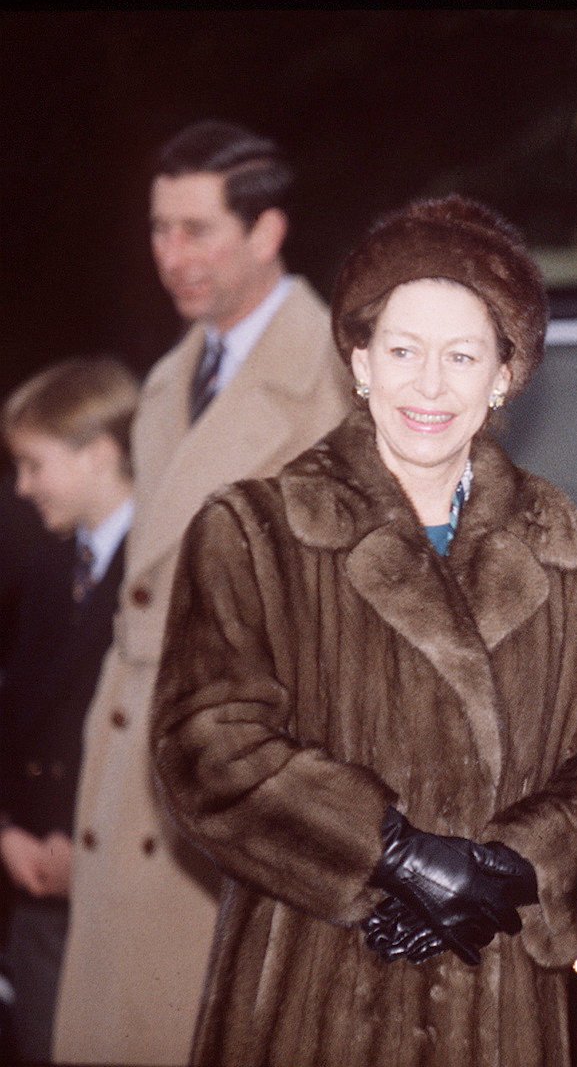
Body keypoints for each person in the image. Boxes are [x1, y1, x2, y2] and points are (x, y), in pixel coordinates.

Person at [149, 195, 577, 1067]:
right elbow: (208, 742)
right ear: (359, 361)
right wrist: (391, 854)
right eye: (403, 351)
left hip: (501, 997)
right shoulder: (255, 531)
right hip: (308, 988)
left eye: (462, 356)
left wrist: (513, 870)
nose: (430, 386)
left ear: (504, 375)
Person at [51, 121, 352, 1066]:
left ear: (266, 233)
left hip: (226, 799)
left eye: (197, 230)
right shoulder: (169, 380)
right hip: (128, 788)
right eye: (158, 229)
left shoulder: (335, 382)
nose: (171, 255)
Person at [0, 358, 138, 1064]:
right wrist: (7, 834)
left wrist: (91, 859)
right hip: (36, 897)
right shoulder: (46, 568)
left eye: (33, 465)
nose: (21, 487)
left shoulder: (166, 565)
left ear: (99, 453)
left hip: (126, 900)